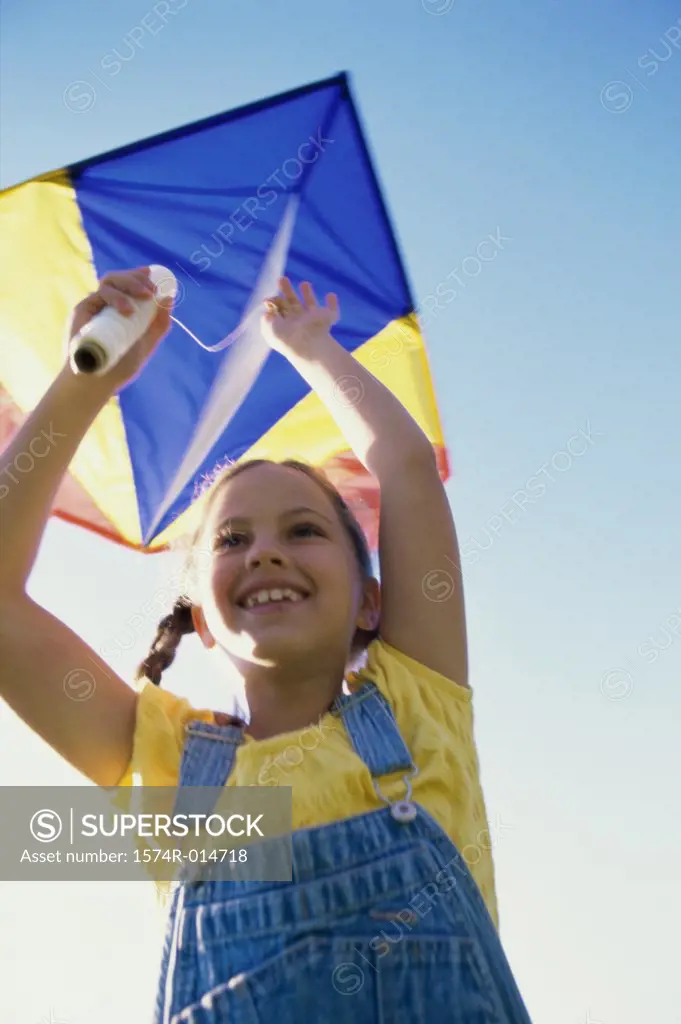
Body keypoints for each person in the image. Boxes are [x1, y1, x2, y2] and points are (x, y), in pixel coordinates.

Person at [0, 268, 532, 1022]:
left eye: (304, 530)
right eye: (232, 539)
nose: (265, 554)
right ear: (203, 620)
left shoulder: (421, 706)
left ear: (371, 601)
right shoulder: (166, 766)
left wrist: (312, 349)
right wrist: (85, 382)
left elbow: (405, 467)